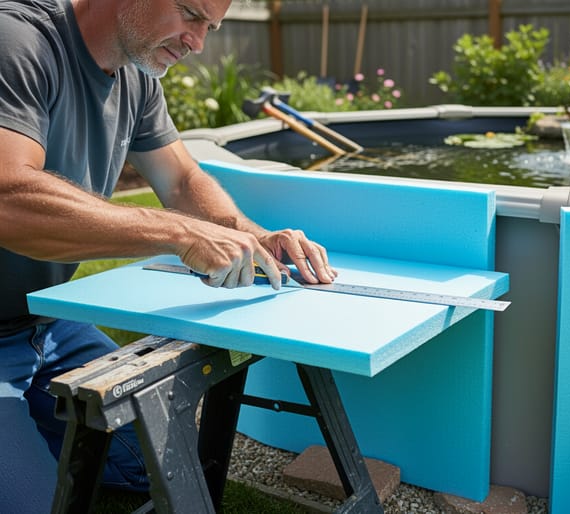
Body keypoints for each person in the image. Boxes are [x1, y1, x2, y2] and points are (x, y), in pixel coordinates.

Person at [0, 0, 337, 510]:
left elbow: (180, 181)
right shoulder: (18, 41)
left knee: (163, 465)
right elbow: (9, 199)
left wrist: (254, 237)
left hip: (48, 322)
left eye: (211, 27)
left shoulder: (136, 77)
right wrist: (178, 233)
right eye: (190, 14)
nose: (198, 42)